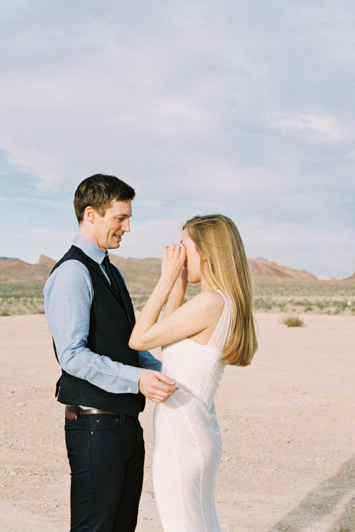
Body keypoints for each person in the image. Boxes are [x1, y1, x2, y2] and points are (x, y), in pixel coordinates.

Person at [43, 173, 178, 532]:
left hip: (123, 427)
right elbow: (72, 355)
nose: (127, 227)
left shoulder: (110, 272)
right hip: (94, 426)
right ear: (91, 215)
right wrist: (139, 379)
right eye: (120, 218)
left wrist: (165, 373)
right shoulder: (74, 272)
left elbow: (129, 345)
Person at [129, 214, 258, 532]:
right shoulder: (221, 302)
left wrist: (166, 279)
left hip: (182, 439)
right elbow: (166, 340)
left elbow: (140, 338)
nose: (179, 255)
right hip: (194, 431)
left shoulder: (210, 302)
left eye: (185, 247)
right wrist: (180, 285)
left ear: (207, 252)